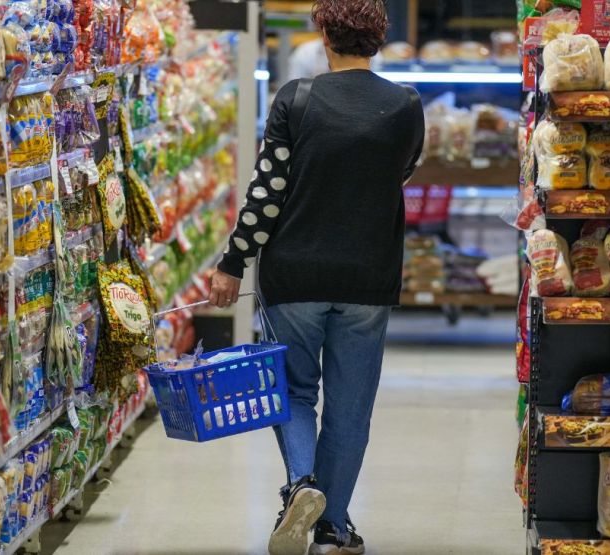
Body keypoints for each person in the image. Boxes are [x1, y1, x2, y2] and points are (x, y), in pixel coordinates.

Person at [209, 0, 425, 553]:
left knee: (294, 392)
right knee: (350, 408)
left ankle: (301, 484)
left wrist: (233, 263)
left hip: (295, 275)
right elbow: (401, 172)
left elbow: (266, 195)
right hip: (368, 277)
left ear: (324, 35)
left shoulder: (296, 99)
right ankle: (333, 528)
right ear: (379, 37)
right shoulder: (406, 105)